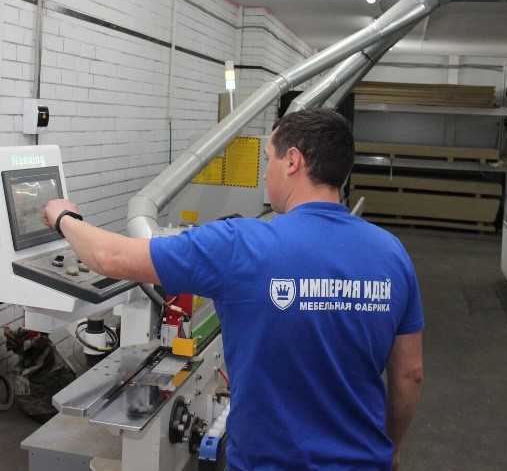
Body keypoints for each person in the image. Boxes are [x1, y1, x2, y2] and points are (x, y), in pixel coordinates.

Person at [42, 107, 424, 471]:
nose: (265, 175)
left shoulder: (241, 244)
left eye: (268, 160)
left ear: (292, 161)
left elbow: (110, 256)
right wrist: (390, 448)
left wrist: (63, 217)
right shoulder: (392, 254)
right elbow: (410, 374)